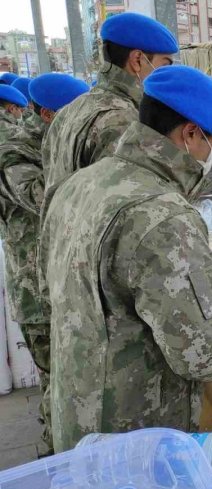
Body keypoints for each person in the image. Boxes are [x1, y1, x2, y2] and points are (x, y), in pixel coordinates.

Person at [40, 66, 212, 453]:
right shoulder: (164, 215)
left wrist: (200, 260)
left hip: (77, 409)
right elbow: (205, 356)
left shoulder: (79, 183)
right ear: (190, 134)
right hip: (135, 429)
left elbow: (59, 284)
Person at [0, 75, 88, 454]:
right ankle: (59, 464)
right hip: (39, 293)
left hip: (68, 285)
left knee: (76, 384)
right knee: (58, 387)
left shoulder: (60, 143)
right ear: (50, 114)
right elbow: (46, 199)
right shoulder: (15, 152)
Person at [42, 12, 177, 196]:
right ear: (138, 60)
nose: (168, 74)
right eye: (166, 64)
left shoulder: (69, 110)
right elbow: (133, 202)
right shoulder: (124, 120)